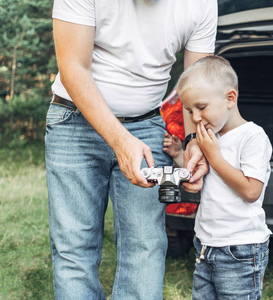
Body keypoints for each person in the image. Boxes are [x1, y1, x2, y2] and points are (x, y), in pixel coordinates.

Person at [45, 0, 217, 299]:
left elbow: (197, 84)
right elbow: (73, 67)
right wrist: (120, 140)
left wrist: (193, 143)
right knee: (74, 247)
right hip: (73, 121)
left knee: (146, 244)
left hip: (147, 123)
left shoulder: (201, 3)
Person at [163, 55, 273, 299]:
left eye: (201, 108)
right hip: (205, 244)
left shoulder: (252, 137)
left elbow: (251, 191)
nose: (195, 118)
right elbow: (201, 175)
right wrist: (180, 155)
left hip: (240, 248)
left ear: (230, 98)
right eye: (190, 111)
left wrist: (214, 157)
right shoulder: (209, 138)